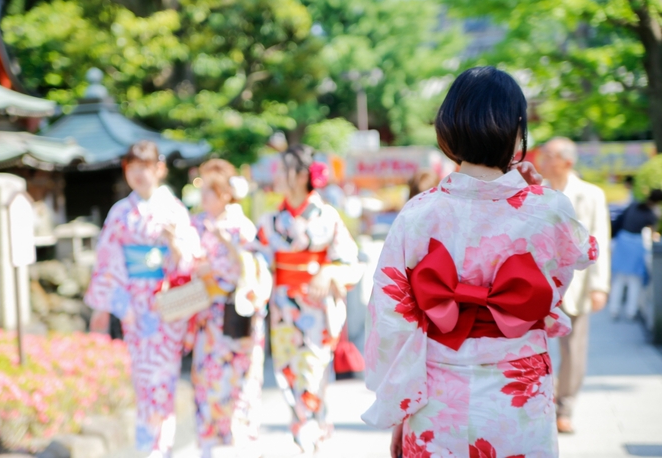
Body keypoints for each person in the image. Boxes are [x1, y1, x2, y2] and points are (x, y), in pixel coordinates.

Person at [363, 66, 597, 457]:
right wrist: (536, 191)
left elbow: (391, 320)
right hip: (517, 386)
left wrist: (400, 407)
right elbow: (575, 262)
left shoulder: (418, 213)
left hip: (436, 390)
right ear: (517, 129)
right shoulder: (547, 210)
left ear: (448, 126)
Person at [84, 140, 201, 458]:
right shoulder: (121, 212)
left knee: (163, 375)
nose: (138, 175)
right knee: (142, 375)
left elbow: (190, 260)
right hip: (134, 304)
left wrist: (175, 246)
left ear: (158, 170)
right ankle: (149, 445)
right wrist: (110, 306)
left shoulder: (175, 210)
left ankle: (158, 446)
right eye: (131, 168)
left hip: (166, 303)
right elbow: (108, 260)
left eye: (144, 168)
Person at [254, 145, 363, 455]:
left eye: (284, 168)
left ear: (302, 175)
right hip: (283, 307)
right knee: (287, 374)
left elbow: (349, 259)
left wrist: (327, 271)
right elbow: (256, 260)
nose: (277, 175)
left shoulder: (327, 215)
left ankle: (311, 437)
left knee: (313, 373)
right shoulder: (271, 218)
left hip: (315, 309)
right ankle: (306, 436)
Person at [188, 159, 267, 458]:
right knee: (206, 383)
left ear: (224, 193)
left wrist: (221, 259)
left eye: (209, 190)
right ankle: (208, 447)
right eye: (202, 189)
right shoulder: (196, 224)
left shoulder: (241, 227)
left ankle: (242, 447)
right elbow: (185, 264)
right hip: (206, 318)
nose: (203, 196)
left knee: (240, 387)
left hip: (235, 317)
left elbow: (252, 272)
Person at [537, 136, 611, 434]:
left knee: (573, 351)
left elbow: (600, 241)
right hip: (537, 284)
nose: (543, 159)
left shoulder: (591, 194)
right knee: (534, 346)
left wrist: (599, 286)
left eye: (550, 154)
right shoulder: (534, 192)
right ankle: (539, 402)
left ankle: (564, 407)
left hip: (575, 285)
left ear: (567, 161)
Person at [609, 189, 662, 320]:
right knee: (635, 281)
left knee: (619, 279)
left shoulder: (633, 205)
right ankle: (631, 311)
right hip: (636, 245)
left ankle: (614, 309)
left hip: (622, 242)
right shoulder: (651, 214)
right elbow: (653, 235)